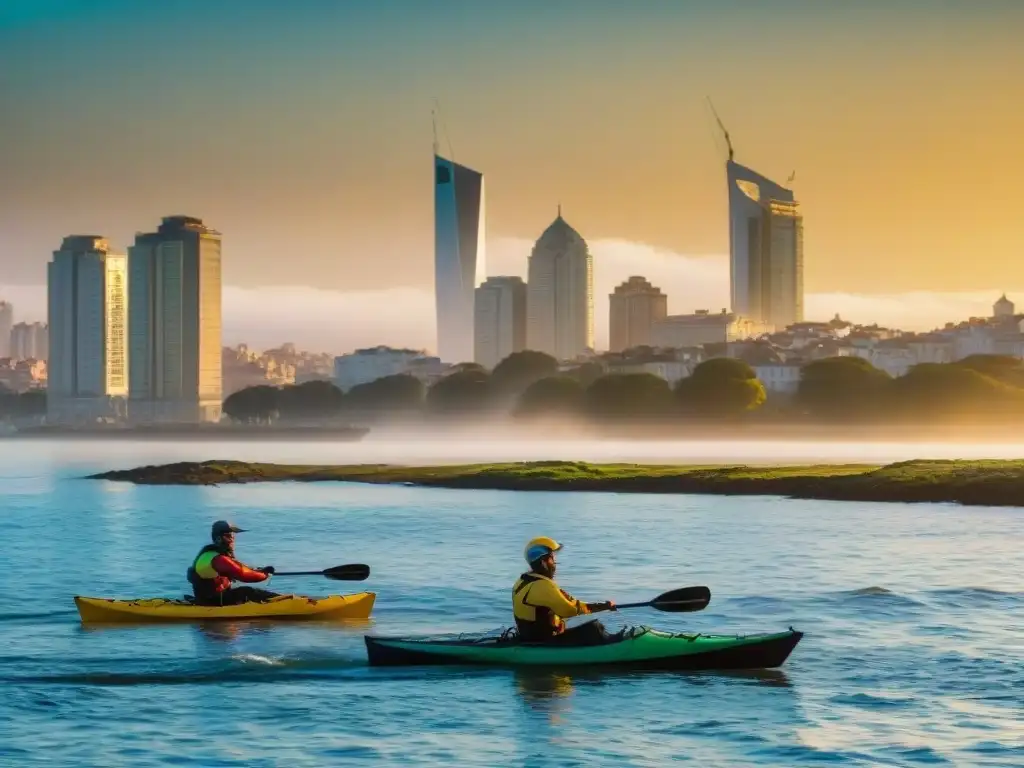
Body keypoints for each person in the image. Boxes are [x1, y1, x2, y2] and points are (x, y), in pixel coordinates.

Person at [512, 536, 616, 645]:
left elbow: (570, 602)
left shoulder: (523, 581)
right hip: (543, 642)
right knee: (594, 628)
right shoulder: (543, 586)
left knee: (577, 625)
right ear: (543, 562)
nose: (555, 563)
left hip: (529, 637)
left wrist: (603, 606)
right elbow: (569, 610)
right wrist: (600, 607)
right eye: (552, 558)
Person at [187, 520, 280, 606]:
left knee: (245, 592)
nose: (232, 540)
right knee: (247, 591)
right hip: (214, 602)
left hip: (213, 599)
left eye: (232, 536)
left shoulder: (213, 554)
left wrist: (258, 570)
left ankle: (281, 601)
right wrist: (265, 575)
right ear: (218, 539)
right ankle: (282, 603)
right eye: (228, 536)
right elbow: (243, 575)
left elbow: (240, 568)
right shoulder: (218, 559)